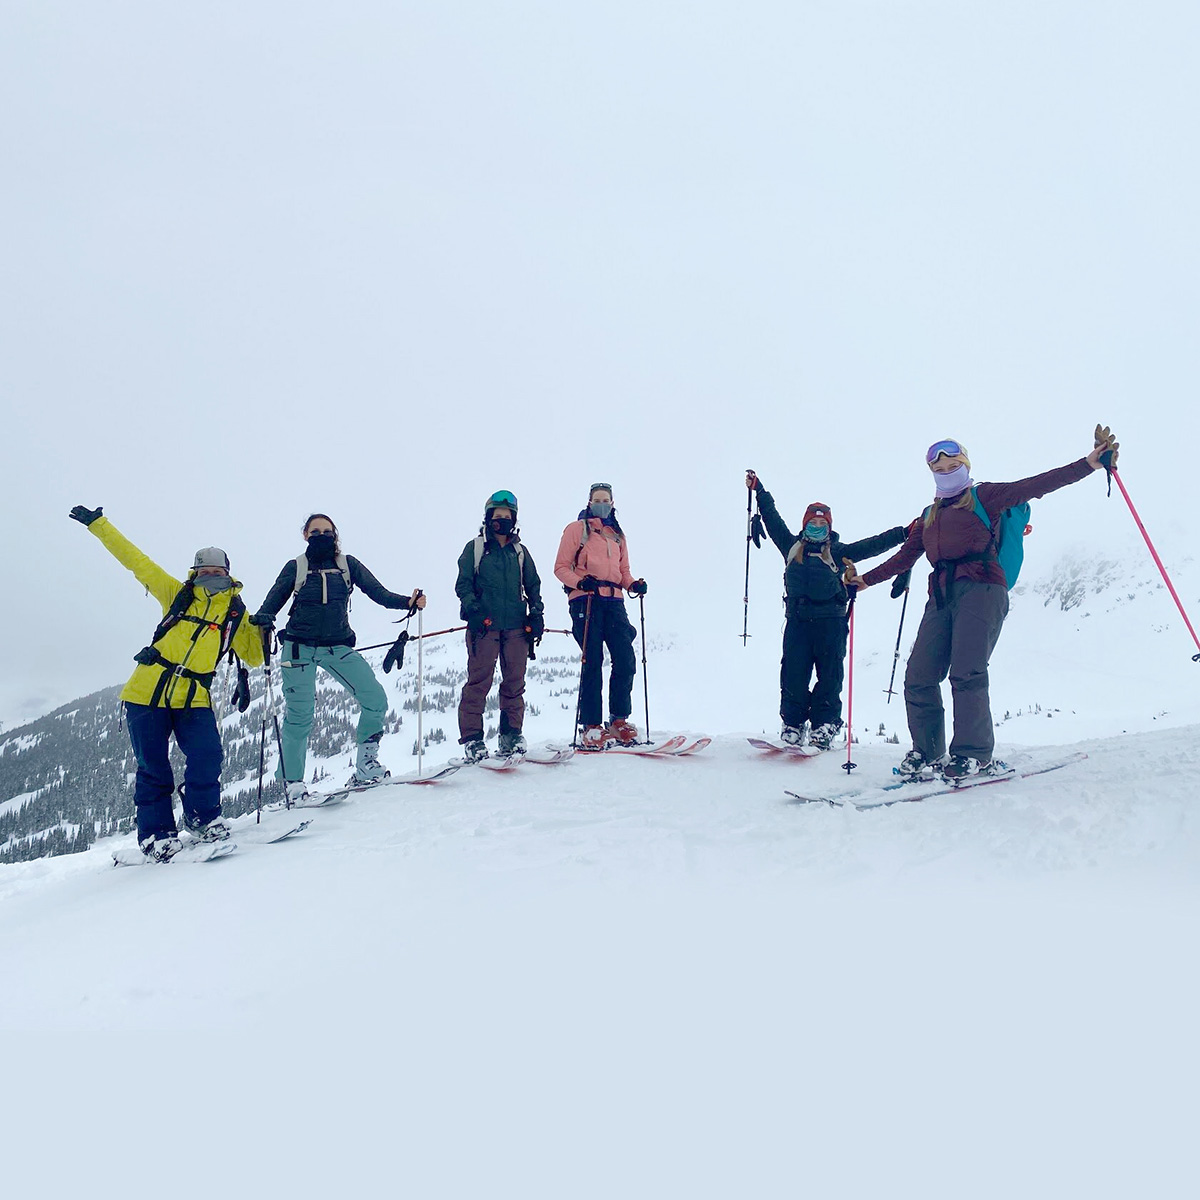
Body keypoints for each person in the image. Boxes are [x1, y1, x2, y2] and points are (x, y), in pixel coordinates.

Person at [844, 426, 1120, 780]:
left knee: (967, 671)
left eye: (953, 466)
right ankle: (927, 752)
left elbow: (1036, 485)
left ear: (966, 466)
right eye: (939, 470)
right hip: (941, 595)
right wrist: (864, 581)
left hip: (983, 588)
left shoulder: (984, 497)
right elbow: (905, 557)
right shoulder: (929, 516)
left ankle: (974, 755)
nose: (946, 473)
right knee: (919, 675)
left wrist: (1089, 464)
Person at [68, 504, 264, 860]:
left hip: (194, 697)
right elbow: (135, 560)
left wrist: (261, 627)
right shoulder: (176, 592)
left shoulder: (235, 611)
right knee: (153, 766)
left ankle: (203, 818)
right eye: (204, 570)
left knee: (208, 754)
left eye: (217, 570)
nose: (210, 575)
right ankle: (157, 835)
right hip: (147, 693)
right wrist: (99, 524)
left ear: (228, 573)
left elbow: (254, 656)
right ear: (194, 572)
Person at [250, 513, 425, 803]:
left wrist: (407, 602)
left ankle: (365, 767)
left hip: (338, 646)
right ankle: (293, 785)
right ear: (305, 535)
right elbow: (273, 602)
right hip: (297, 647)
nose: (321, 535)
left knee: (375, 700)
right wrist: (264, 618)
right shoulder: (297, 567)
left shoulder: (347, 564)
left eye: (326, 531)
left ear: (335, 535)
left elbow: (377, 593)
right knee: (300, 714)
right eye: (315, 531)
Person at [746, 472, 909, 749]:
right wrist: (760, 491)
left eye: (822, 523)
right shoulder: (791, 546)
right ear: (805, 524)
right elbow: (773, 520)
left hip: (831, 622)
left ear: (829, 526)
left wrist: (904, 534)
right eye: (813, 522)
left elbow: (872, 545)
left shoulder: (838, 551)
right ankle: (793, 724)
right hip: (797, 621)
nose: (818, 527)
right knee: (793, 672)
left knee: (829, 674)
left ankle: (824, 725)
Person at [554, 483, 648, 749]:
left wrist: (633, 585)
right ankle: (591, 725)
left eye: (606, 500)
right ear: (589, 502)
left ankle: (618, 720)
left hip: (615, 600)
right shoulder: (577, 529)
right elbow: (560, 567)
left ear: (612, 503)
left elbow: (623, 571)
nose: (602, 504)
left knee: (625, 657)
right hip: (586, 599)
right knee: (592, 659)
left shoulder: (617, 535)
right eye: (597, 500)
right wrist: (579, 582)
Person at [454, 490, 546, 762]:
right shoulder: (476, 548)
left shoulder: (520, 552)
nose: (502, 521)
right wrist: (473, 609)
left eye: (507, 516)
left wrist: (537, 614)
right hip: (484, 627)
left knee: (514, 683)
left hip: (517, 628)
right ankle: (472, 740)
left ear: (514, 519)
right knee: (478, 683)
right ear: (488, 518)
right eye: (497, 516)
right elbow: (463, 584)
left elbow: (533, 586)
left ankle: (511, 735)